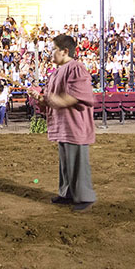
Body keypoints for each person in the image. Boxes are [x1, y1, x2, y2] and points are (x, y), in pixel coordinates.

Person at [28, 34, 96, 212]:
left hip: (75, 124)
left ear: (65, 51)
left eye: (53, 49)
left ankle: (84, 196)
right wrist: (40, 97)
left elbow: (74, 96)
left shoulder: (77, 68)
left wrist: (48, 98)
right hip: (64, 124)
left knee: (77, 163)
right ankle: (67, 193)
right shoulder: (57, 72)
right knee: (66, 163)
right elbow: (51, 99)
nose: (51, 53)